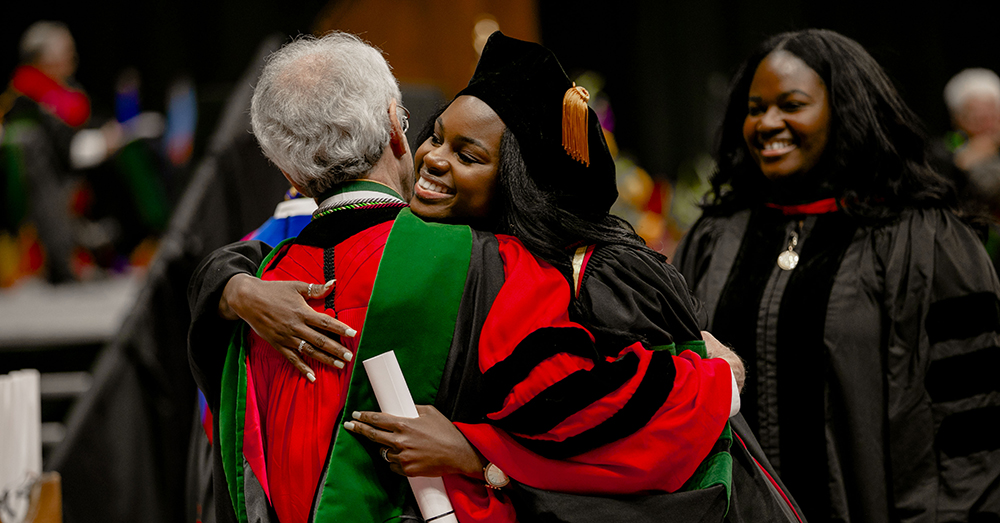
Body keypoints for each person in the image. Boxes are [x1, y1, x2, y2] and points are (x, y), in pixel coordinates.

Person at [188, 32, 748, 523]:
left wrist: (233, 288)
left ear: (286, 171)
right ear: (396, 126)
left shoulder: (255, 295)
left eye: (468, 153)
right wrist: (716, 378)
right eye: (437, 136)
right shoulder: (495, 264)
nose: (435, 159)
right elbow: (586, 408)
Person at [673, 29, 1000, 522]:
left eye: (791, 104)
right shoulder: (714, 239)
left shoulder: (924, 241)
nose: (767, 123)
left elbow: (969, 425)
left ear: (846, 110)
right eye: (755, 107)